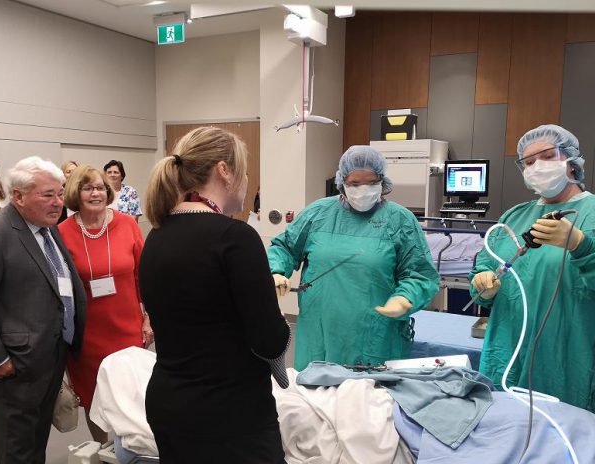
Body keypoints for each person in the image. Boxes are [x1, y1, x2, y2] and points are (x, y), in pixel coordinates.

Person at [469, 124, 595, 428]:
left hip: (577, 363)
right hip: (512, 358)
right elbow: (484, 273)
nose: (537, 167)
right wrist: (484, 287)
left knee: (577, 442)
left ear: (570, 160)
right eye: (528, 162)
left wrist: (582, 245)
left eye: (546, 156)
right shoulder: (513, 218)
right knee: (509, 440)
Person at [139, 126, 290, 463]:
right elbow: (269, 341)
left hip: (170, 406)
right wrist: (274, 312)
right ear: (224, 171)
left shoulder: (156, 237)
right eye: (244, 171)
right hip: (230, 416)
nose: (248, 179)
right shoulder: (236, 238)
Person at [269, 145, 439, 371]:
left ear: (382, 181)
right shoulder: (317, 214)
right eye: (354, 184)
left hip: (375, 339)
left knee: (371, 400)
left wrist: (405, 298)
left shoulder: (401, 220)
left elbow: (421, 275)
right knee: (317, 398)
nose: (363, 190)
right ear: (341, 183)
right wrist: (275, 271)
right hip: (319, 335)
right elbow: (285, 247)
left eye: (371, 182)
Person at [0, 156, 87, 463]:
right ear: (18, 196)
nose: (58, 202)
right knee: (16, 450)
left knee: (36, 444)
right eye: (48, 195)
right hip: (15, 366)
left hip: (50, 357)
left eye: (60, 194)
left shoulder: (49, 229)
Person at [58, 164, 153, 443]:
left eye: (100, 187)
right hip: (86, 332)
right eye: (88, 188)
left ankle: (134, 449)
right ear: (76, 192)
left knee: (132, 391)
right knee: (93, 394)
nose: (96, 193)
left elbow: (143, 276)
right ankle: (102, 450)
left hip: (127, 327)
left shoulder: (127, 225)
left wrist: (148, 317)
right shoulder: (61, 233)